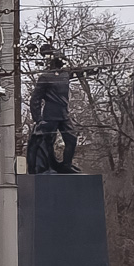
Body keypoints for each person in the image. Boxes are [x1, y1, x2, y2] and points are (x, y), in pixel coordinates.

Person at [27, 45, 78, 174]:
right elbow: (35, 99)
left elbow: (81, 70)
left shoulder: (66, 74)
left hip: (64, 114)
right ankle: (47, 167)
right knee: (48, 142)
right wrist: (37, 118)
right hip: (50, 115)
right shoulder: (45, 77)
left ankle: (66, 165)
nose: (61, 61)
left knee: (71, 138)